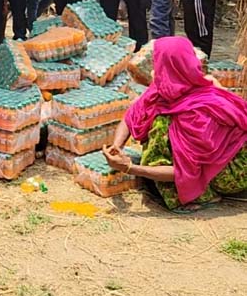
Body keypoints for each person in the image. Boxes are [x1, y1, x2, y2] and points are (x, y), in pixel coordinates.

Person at [103, 37, 247, 213]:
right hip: (222, 160)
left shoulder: (198, 113)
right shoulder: (167, 88)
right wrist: (117, 146)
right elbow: (131, 115)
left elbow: (184, 171)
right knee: (157, 119)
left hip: (235, 172)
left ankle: (202, 196)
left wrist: (131, 168)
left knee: (159, 127)